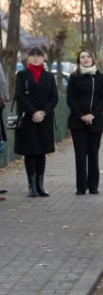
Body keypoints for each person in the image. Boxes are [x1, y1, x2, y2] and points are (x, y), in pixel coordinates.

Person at [13, 47, 58, 197]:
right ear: (27, 58)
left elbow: (54, 97)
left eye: (39, 55)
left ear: (44, 58)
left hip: (44, 119)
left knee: (41, 153)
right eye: (33, 55)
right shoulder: (22, 75)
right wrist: (33, 112)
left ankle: (40, 185)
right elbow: (19, 96)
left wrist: (44, 112)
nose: (36, 58)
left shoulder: (49, 76)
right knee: (30, 152)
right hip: (28, 119)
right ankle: (31, 186)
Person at [66, 49, 103, 195]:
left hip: (96, 122)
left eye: (88, 56)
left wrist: (92, 115)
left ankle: (93, 186)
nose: (85, 59)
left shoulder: (100, 77)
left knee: (93, 154)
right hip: (77, 122)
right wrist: (81, 116)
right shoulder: (74, 77)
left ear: (92, 59)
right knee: (80, 155)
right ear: (79, 61)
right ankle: (81, 187)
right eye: (82, 57)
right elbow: (70, 99)